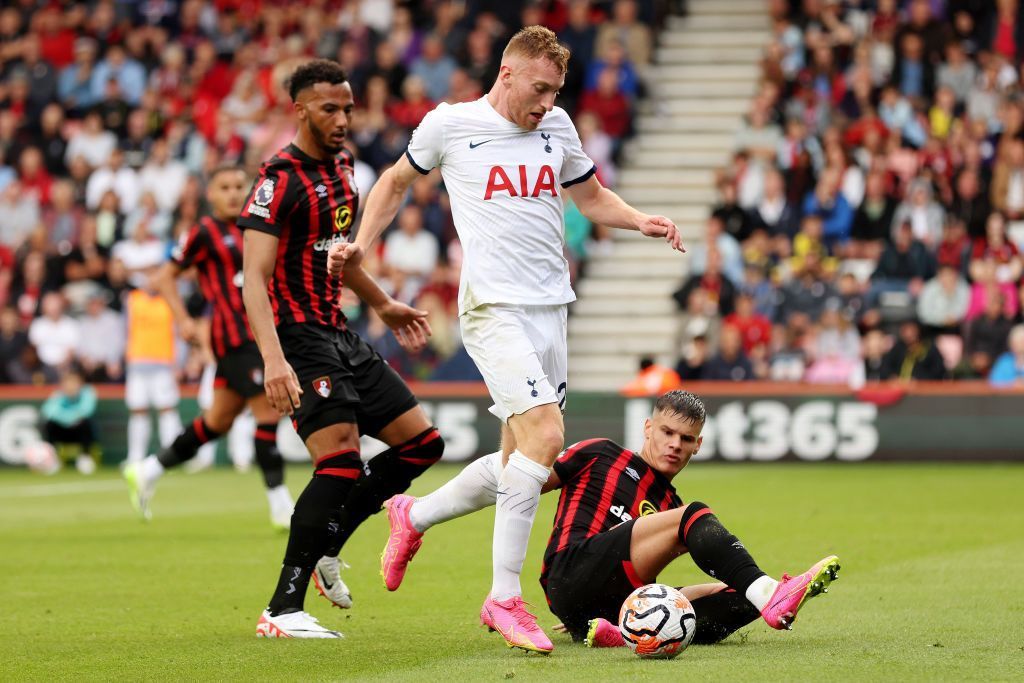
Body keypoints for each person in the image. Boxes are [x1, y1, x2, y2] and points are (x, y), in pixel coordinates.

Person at [328, 26, 684, 654]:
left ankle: (415, 514)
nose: (546, 103)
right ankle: (503, 598)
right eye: (540, 89)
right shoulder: (450, 124)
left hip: (553, 309)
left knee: (525, 466)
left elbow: (592, 197)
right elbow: (392, 184)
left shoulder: (560, 128)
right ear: (508, 72)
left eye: (555, 91)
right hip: (493, 308)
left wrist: (639, 220)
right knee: (546, 440)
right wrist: (363, 241)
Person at [239, 60, 444, 639]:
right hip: (298, 338)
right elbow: (253, 279)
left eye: (348, 108)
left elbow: (338, 256)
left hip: (338, 330)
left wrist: (381, 303)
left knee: (423, 444)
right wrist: (274, 359)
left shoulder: (345, 168)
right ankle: (282, 609)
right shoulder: (278, 179)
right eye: (330, 108)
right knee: (339, 462)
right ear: (300, 109)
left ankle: (329, 543)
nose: (342, 118)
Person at [380, 391, 839, 647]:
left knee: (735, 597)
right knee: (696, 518)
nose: (675, 444)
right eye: (666, 432)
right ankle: (772, 595)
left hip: (606, 601)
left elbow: (648, 577)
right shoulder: (601, 454)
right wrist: (426, 511)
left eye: (686, 438)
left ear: (698, 446)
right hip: (569, 569)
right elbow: (514, 481)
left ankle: (620, 630)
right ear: (647, 428)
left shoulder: (668, 501)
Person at [123, 166, 293, 530]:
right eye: (224, 187)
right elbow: (165, 276)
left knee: (217, 421)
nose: (233, 193)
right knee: (267, 412)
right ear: (211, 195)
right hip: (234, 338)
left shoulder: (259, 227)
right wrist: (182, 318)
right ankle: (281, 505)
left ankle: (148, 469)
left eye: (238, 186)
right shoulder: (203, 232)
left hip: (262, 334)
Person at [39, 363, 99, 474]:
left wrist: (71, 417)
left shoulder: (88, 392)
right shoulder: (58, 395)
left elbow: (86, 411)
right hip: (62, 431)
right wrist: (70, 419)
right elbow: (48, 411)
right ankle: (52, 460)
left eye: (74, 382)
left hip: (79, 431)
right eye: (68, 382)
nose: (70, 385)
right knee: (49, 424)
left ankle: (85, 458)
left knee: (85, 423)